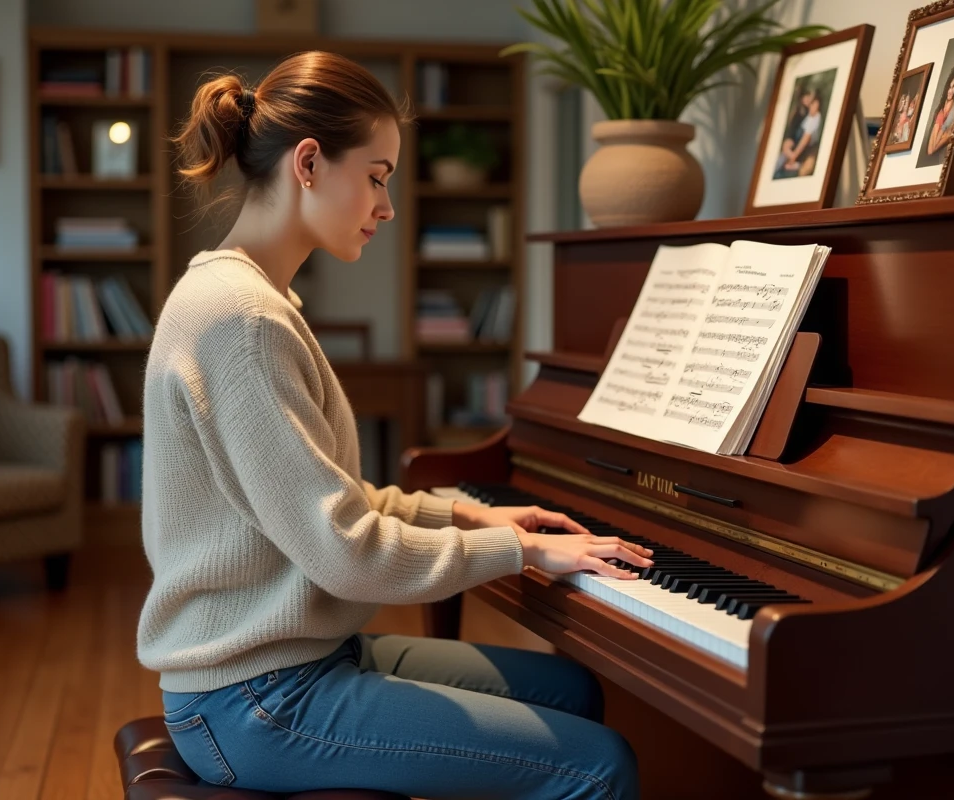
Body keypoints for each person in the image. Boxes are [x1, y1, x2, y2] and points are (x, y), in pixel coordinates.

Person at [136, 51, 651, 799]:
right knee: (599, 766)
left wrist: (468, 514)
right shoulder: (241, 322)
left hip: (301, 658)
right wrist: (522, 549)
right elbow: (346, 552)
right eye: (377, 176)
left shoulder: (251, 301)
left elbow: (331, 505)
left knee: (571, 692)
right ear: (308, 163)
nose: (387, 205)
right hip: (253, 698)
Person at [925, 62, 954, 158]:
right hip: (940, 135)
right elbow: (930, 150)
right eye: (949, 87)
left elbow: (947, 130)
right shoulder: (941, 109)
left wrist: (945, 133)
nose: (951, 91)